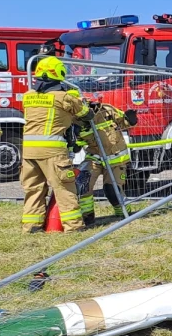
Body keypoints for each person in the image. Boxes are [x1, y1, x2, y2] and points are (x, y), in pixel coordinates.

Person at [20, 57, 91, 233]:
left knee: (33, 189)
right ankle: (73, 226)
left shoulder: (28, 96)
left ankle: (31, 226)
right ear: (59, 73)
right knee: (64, 187)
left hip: (28, 151)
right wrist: (77, 99)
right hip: (52, 151)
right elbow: (86, 114)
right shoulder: (64, 97)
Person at [77, 98, 136, 223]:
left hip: (116, 158)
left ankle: (124, 214)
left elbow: (124, 122)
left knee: (112, 190)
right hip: (95, 157)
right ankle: (87, 218)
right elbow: (75, 143)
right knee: (82, 184)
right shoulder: (75, 119)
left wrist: (130, 118)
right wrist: (74, 140)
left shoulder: (107, 110)